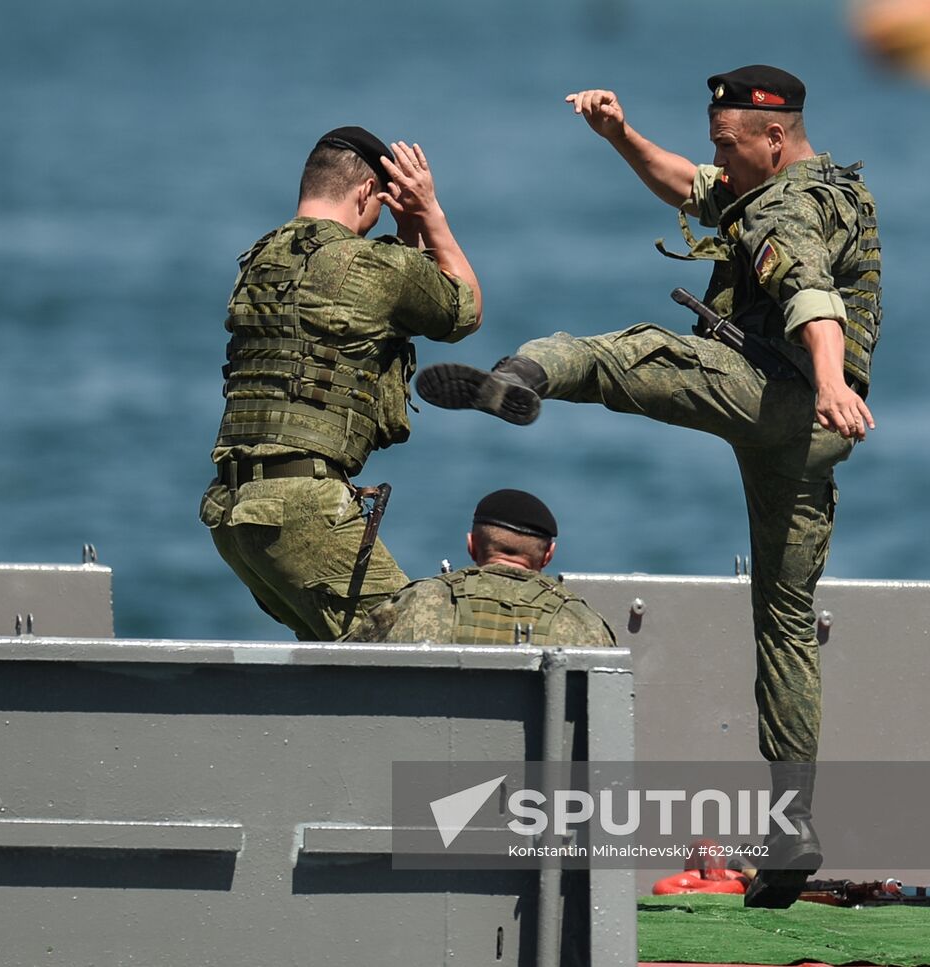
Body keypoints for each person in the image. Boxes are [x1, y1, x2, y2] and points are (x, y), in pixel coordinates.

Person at [415, 66, 881, 907]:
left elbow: (809, 292)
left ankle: (521, 374)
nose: (718, 159)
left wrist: (829, 377)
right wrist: (620, 137)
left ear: (773, 138)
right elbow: (693, 185)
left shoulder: (782, 209)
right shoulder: (811, 185)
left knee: (627, 351)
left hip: (783, 392)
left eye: (728, 144)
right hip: (814, 441)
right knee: (782, 619)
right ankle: (790, 828)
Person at [201, 126, 483, 641]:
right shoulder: (371, 265)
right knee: (428, 645)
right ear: (363, 194)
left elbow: (367, 299)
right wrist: (428, 214)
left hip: (233, 509)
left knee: (342, 658)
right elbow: (464, 310)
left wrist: (403, 236)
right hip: (301, 508)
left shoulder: (260, 260)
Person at [343, 489, 615, 646]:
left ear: (471, 546)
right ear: (548, 556)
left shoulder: (417, 603)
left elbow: (346, 666)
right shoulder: (585, 625)